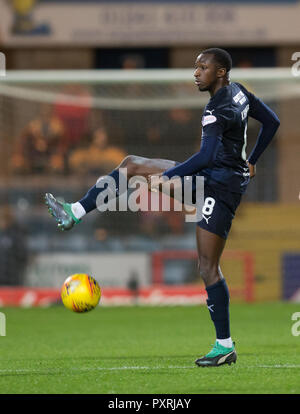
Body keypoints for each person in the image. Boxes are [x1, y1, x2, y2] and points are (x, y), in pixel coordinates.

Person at [44, 48, 280, 367]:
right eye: (195, 67)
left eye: (203, 67)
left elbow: (206, 157)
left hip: (218, 187)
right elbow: (272, 121)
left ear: (220, 72)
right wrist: (251, 161)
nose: (196, 73)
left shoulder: (214, 109)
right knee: (132, 165)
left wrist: (166, 179)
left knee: (207, 266)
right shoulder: (239, 92)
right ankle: (75, 212)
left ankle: (224, 346)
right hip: (217, 177)